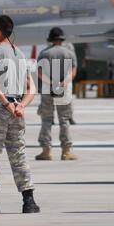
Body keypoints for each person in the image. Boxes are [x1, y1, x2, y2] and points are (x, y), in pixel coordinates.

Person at [0, 15, 40, 214]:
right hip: (17, 110)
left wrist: (7, 104)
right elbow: (31, 88)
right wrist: (20, 106)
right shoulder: (21, 54)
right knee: (18, 154)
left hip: (0, 107)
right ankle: (29, 201)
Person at [35, 27, 78, 161]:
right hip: (64, 90)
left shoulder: (44, 53)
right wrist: (63, 83)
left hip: (48, 89)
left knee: (47, 120)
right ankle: (66, 151)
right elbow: (73, 71)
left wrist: (52, 83)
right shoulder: (69, 52)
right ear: (62, 39)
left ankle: (46, 151)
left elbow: (40, 72)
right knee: (64, 120)